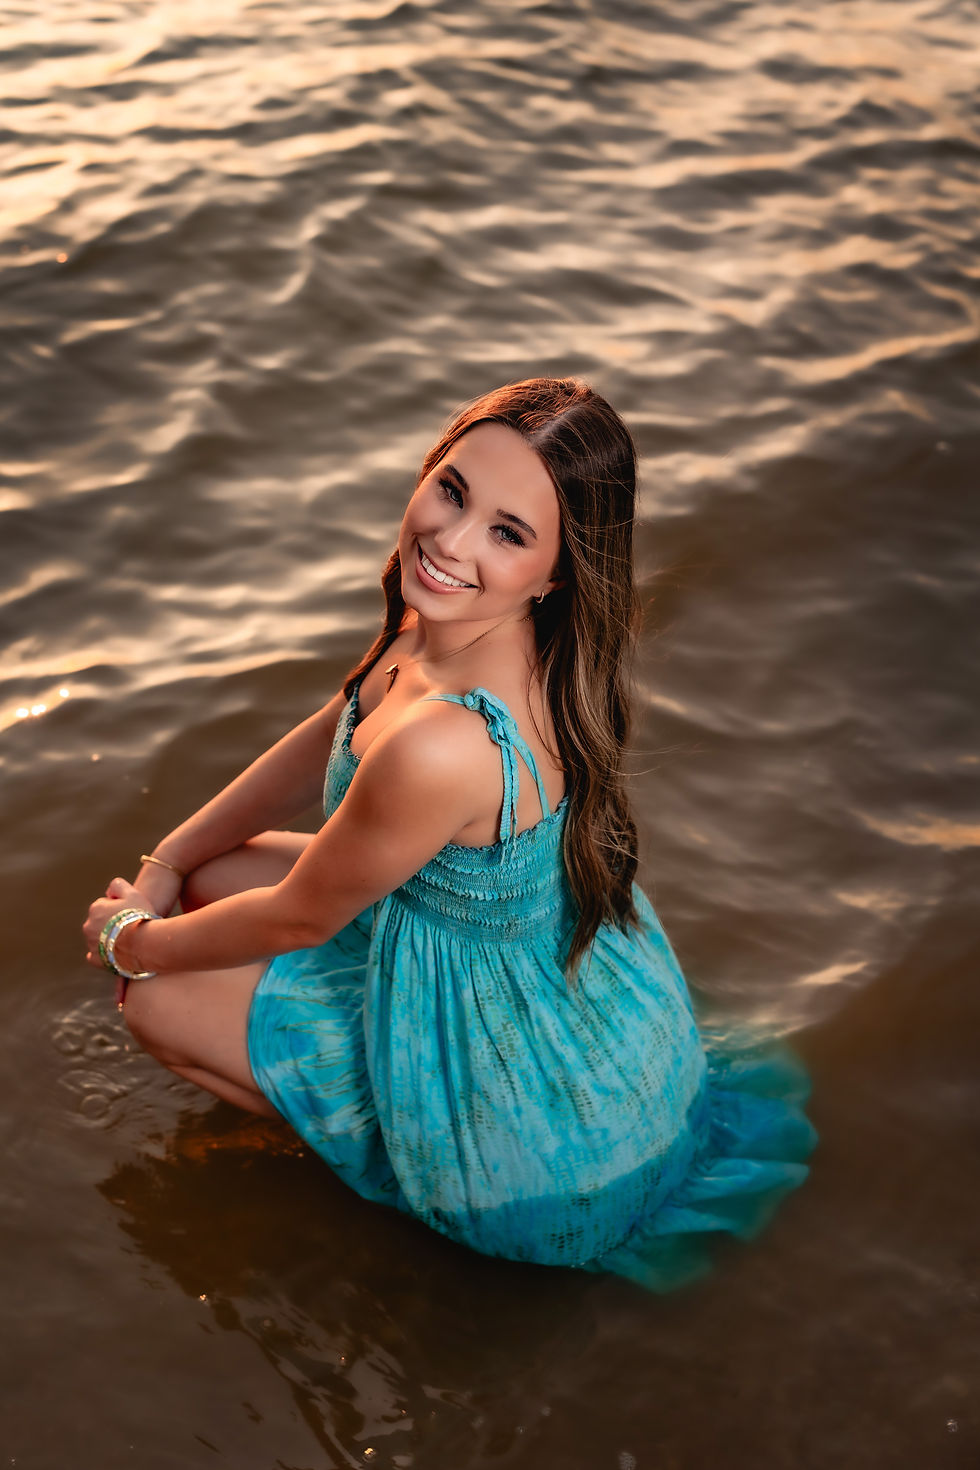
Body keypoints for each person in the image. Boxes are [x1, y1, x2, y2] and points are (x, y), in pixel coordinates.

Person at [83, 377, 816, 1289]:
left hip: (532, 1124)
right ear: (428, 468)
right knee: (215, 879)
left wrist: (132, 940)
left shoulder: (447, 745)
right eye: (453, 491)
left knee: (153, 997)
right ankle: (318, 1090)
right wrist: (168, 864)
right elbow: (327, 731)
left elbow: (297, 921)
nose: (451, 542)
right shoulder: (459, 624)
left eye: (507, 533)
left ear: (556, 574)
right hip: (504, 955)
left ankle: (391, 1161)